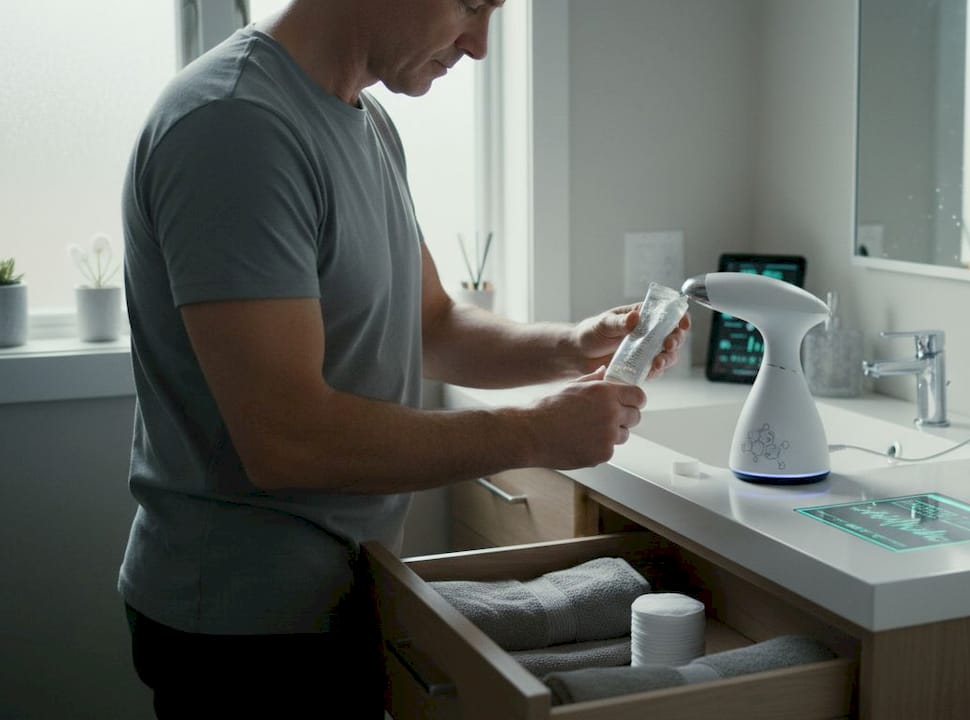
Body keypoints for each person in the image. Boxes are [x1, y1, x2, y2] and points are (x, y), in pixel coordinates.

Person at [117, 0, 690, 716]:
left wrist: (573, 346)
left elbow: (432, 324)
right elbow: (286, 439)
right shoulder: (234, 126)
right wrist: (533, 433)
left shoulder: (366, 121)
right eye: (471, 6)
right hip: (243, 628)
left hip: (342, 593)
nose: (479, 46)